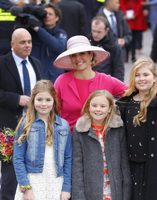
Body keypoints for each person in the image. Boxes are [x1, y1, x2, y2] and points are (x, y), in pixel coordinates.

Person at [54, 35, 157, 131]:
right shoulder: (61, 81)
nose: (78, 58)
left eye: (82, 53)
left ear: (91, 55)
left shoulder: (106, 80)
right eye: (73, 55)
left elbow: (136, 89)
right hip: (69, 144)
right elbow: (52, 112)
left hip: (99, 144)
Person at [116, 57, 157, 200]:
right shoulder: (125, 103)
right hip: (131, 166)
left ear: (154, 78)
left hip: (156, 166)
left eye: (146, 74)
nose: (141, 79)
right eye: (137, 75)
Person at [0, 28, 42, 200]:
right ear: (12, 44)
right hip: (8, 126)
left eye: (29, 41)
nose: (27, 45)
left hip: (34, 124)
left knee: (33, 169)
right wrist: (16, 99)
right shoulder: (2, 63)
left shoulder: (36, 63)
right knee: (10, 172)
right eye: (22, 42)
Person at [13, 80, 72, 200]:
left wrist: (66, 188)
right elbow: (18, 158)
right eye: (39, 99)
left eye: (48, 100)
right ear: (33, 100)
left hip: (56, 181)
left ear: (54, 100)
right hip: (32, 181)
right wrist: (25, 187)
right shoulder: (25, 124)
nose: (43, 104)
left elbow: (68, 158)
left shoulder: (63, 125)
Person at [72, 89, 132, 200]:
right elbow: (77, 167)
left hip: (114, 190)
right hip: (91, 191)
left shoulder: (118, 128)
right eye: (94, 105)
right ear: (88, 107)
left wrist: (126, 194)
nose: (98, 109)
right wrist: (79, 196)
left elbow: (124, 164)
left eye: (103, 106)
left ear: (110, 109)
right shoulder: (80, 130)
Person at [30, 2, 67, 83]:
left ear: (57, 18)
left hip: (53, 78)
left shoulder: (60, 33)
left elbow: (58, 47)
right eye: (45, 14)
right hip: (36, 76)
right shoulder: (33, 32)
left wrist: (39, 29)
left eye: (50, 14)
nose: (47, 16)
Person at [89, 15, 125, 81]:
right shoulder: (87, 43)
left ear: (106, 31)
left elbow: (118, 71)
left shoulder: (114, 47)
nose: (95, 34)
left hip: (106, 85)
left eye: (99, 32)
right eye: (93, 31)